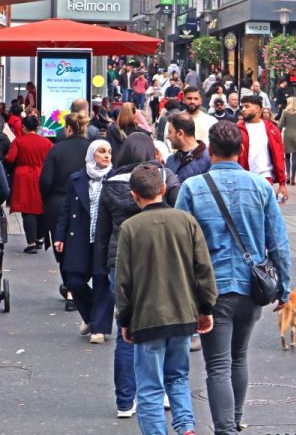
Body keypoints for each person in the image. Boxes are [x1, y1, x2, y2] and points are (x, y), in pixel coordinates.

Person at [176, 121, 291, 433]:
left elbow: (180, 243)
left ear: (210, 150)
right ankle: (235, 420)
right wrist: (285, 287)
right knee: (239, 357)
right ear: (242, 151)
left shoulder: (192, 188)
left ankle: (225, 428)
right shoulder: (260, 186)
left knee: (217, 365)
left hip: (210, 288)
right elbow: (278, 241)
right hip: (253, 286)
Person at [116, 163, 217, 435]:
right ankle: (185, 427)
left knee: (149, 386)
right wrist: (205, 307)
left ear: (134, 195)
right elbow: (203, 270)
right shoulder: (186, 221)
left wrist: (124, 319)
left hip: (147, 318)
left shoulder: (130, 228)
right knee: (178, 377)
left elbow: (124, 281)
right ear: (163, 189)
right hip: (183, 314)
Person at [95, 133, 182, 419]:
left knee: (126, 330)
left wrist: (102, 269)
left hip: (119, 261)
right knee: (165, 325)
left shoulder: (110, 185)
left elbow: (102, 231)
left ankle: (124, 401)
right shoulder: (164, 180)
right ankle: (166, 392)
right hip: (160, 260)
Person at [53, 139, 115, 344]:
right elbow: (65, 209)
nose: (106, 155)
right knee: (74, 281)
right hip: (79, 236)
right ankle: (90, 316)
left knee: (101, 283)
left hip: (103, 238)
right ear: (91, 155)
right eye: (101, 151)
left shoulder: (115, 179)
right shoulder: (77, 179)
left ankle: (99, 328)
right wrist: (59, 235)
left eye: (109, 152)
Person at [40, 111, 92, 310]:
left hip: (58, 202)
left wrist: (47, 198)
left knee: (61, 246)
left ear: (68, 128)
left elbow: (45, 181)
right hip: (86, 203)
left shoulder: (56, 150)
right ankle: (76, 286)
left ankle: (71, 288)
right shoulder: (90, 149)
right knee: (82, 244)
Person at [7, 115, 53, 254]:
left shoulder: (19, 141)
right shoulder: (46, 142)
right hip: (42, 175)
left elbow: (10, 158)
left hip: (24, 177)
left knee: (27, 210)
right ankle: (39, 239)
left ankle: (31, 243)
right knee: (40, 208)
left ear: (24, 127)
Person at [237, 95, 289, 200]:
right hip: (243, 179)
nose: (243, 109)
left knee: (265, 213)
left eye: (247, 106)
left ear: (257, 109)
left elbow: (279, 155)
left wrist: (282, 183)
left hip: (266, 178)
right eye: (242, 107)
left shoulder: (272, 129)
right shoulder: (237, 129)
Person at [166, 113, 212, 183]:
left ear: (180, 134)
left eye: (170, 132)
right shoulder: (170, 160)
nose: (167, 137)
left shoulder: (209, 159)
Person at [278, 97, 296, 186]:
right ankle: (293, 178)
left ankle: (288, 176)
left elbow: (280, 125)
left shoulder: (285, 112)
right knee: (294, 158)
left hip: (287, 135)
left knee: (287, 157)